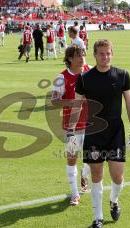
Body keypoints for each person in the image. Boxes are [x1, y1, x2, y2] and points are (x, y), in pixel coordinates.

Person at [67, 39, 130, 228]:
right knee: (96, 176)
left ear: (112, 54)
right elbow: (76, 105)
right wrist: (72, 132)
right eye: (101, 53)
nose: (105, 57)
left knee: (117, 176)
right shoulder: (84, 78)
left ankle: (114, 200)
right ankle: (97, 217)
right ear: (95, 55)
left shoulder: (122, 75)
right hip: (93, 133)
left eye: (108, 53)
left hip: (116, 132)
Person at [51, 46, 91, 206]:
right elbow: (54, 102)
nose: (82, 58)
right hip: (71, 127)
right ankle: (75, 194)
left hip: (92, 125)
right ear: (70, 59)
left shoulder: (90, 72)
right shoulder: (61, 78)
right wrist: (73, 102)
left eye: (83, 55)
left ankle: (84, 174)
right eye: (78, 56)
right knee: (72, 159)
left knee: (92, 160)